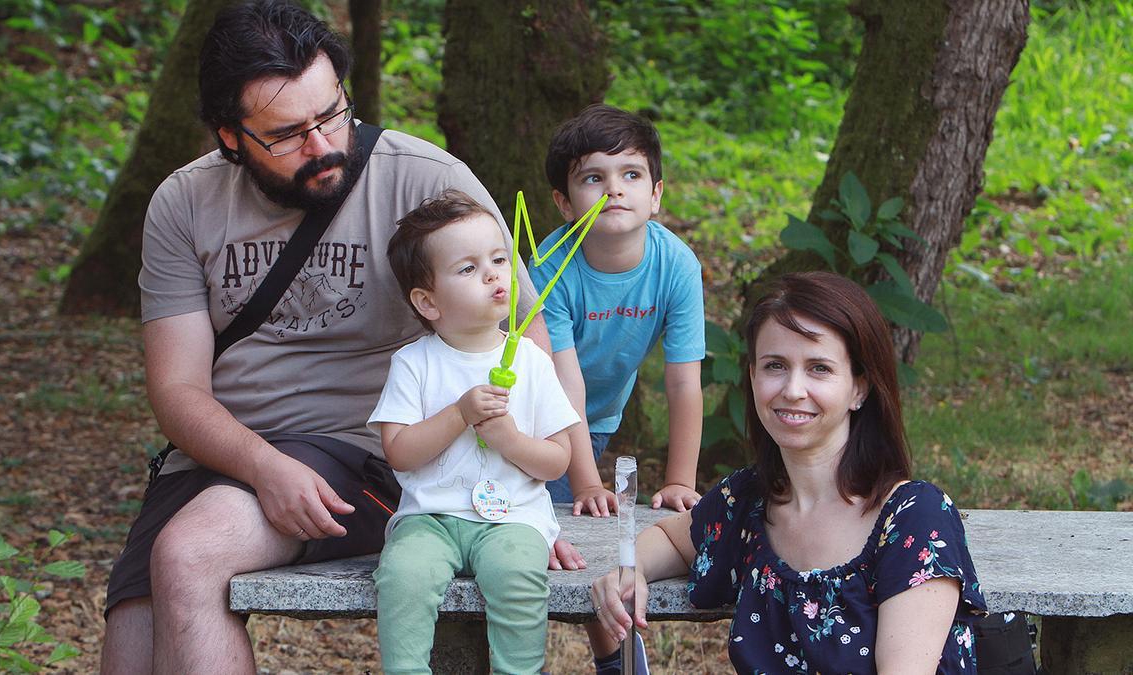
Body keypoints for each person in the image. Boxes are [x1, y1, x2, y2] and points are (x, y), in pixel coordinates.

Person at [98, 2, 579, 672]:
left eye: (332, 114)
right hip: (219, 456)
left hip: (369, 453)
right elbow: (177, 387)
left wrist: (535, 503)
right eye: (288, 134)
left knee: (189, 552)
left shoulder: (425, 180)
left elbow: (529, 335)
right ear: (230, 136)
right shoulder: (184, 203)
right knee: (133, 637)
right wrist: (263, 466)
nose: (323, 145)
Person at [591, 271, 987, 673]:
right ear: (752, 376)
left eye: (819, 368)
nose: (793, 389)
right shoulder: (750, 500)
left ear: (860, 388)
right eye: (775, 365)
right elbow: (672, 540)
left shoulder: (915, 518)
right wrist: (629, 569)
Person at [368, 191, 578, 673]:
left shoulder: (531, 361)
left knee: (517, 576)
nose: (492, 274)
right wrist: (459, 414)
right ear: (428, 301)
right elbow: (399, 452)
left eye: (499, 259)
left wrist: (508, 440)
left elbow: (557, 459)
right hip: (432, 518)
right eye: (467, 268)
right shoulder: (414, 364)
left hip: (513, 518)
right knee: (403, 573)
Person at [531, 104, 706, 517]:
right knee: (550, 518)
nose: (615, 189)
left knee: (577, 515)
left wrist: (681, 481)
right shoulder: (549, 269)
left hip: (597, 419)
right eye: (593, 178)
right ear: (565, 204)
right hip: (536, 418)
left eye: (631, 174)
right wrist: (590, 483)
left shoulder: (677, 265)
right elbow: (564, 382)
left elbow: (684, 382)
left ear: (656, 194)